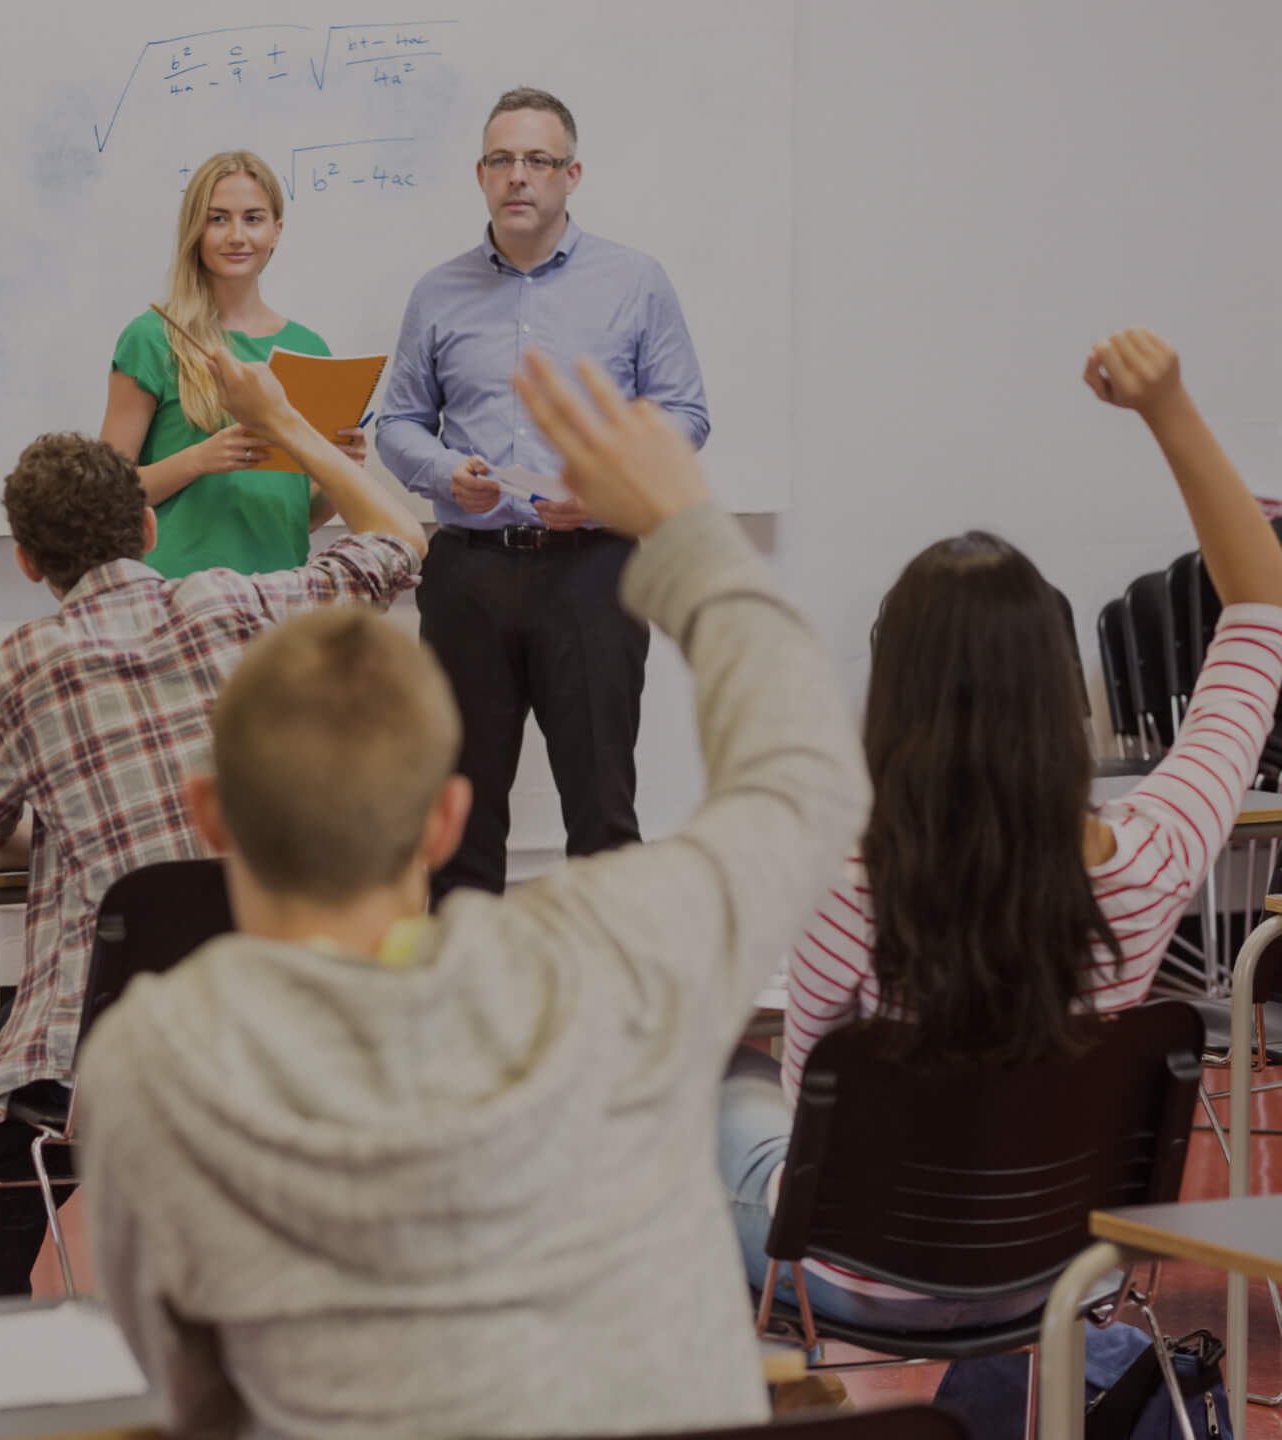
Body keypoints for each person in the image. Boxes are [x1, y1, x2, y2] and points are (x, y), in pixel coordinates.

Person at [76, 349, 866, 1439]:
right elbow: (806, 775)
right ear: (448, 817)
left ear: (211, 817)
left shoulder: (149, 1065)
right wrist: (683, 530)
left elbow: (193, 1393)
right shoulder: (616, 958)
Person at [722, 328, 1282, 1330]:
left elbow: (817, 1102)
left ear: (892, 698)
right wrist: (1168, 410)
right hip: (1073, 1270)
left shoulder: (847, 884)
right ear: (1059, 694)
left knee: (730, 1090)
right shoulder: (1154, 857)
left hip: (852, 1272)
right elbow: (1260, 607)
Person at [0, 347, 425, 1300]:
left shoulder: (24, 663)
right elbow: (402, 539)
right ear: (150, 529)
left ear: (27, 561)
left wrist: (54, 831)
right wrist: (284, 423)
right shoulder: (240, 602)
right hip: (264, 1042)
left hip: (97, 1072)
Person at [377, 86, 710, 898]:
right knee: (457, 816)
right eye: (502, 160)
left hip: (594, 570)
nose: (518, 177)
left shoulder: (635, 281)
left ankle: (607, 1013)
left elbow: (686, 414)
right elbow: (396, 422)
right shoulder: (438, 291)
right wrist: (439, 471)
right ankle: (467, 1011)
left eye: (537, 160)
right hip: (469, 575)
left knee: (601, 812)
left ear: (571, 173)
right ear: (481, 174)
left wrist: (603, 490)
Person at [101, 150, 369, 577]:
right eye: (218, 219)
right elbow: (105, 496)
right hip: (180, 598)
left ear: (277, 231)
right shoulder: (151, 338)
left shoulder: (309, 348)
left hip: (281, 594)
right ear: (195, 230)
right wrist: (201, 459)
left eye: (253, 218)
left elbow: (298, 518)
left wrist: (342, 472)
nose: (236, 236)